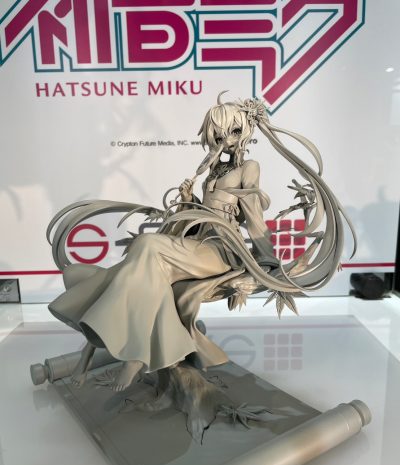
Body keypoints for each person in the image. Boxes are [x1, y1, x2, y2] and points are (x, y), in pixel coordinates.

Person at [47, 93, 356, 391]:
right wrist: (189, 200)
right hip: (197, 241)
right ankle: (126, 352)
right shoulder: (214, 168)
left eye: (233, 132)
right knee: (145, 261)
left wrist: (267, 264)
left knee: (148, 245)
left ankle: (124, 352)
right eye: (218, 135)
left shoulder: (248, 168)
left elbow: (253, 217)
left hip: (221, 250)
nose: (225, 140)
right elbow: (205, 213)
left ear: (245, 131)